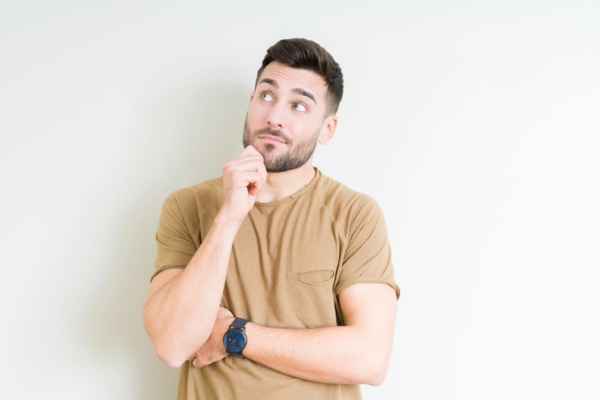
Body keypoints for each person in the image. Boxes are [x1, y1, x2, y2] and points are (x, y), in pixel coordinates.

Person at [142, 38, 400, 400]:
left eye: (298, 105)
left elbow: (370, 358)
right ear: (250, 104)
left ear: (327, 129)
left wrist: (236, 335)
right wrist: (228, 217)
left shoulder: (355, 214)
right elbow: (172, 344)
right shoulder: (188, 206)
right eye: (266, 96)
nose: (274, 116)